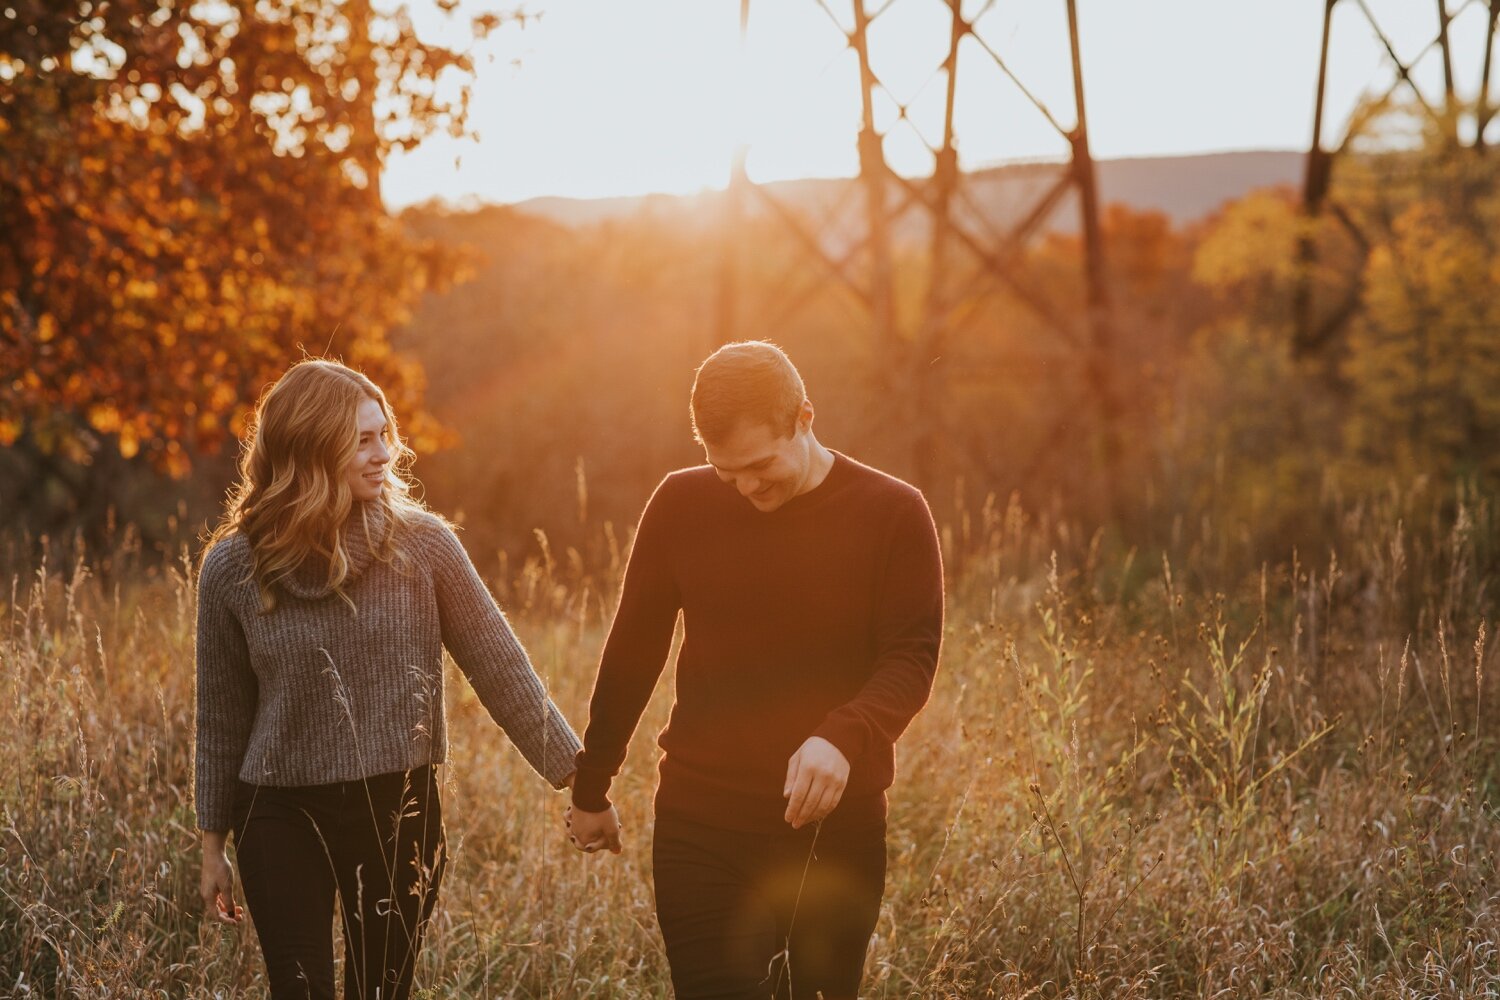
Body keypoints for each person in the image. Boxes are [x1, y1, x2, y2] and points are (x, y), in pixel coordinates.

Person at [565, 341, 945, 999]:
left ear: (805, 416)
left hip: (834, 830)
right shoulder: (681, 504)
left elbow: (910, 656)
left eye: (761, 465)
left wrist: (844, 735)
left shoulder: (893, 511)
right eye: (726, 471)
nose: (745, 486)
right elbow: (634, 647)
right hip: (700, 821)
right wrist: (592, 784)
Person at [194, 359, 581, 1000]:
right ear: (311, 448)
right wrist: (212, 845)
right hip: (278, 812)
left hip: (397, 809)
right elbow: (222, 714)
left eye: (385, 434)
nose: (386, 454)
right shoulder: (232, 566)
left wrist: (578, 776)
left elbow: (502, 668)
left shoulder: (423, 547)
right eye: (363, 440)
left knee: (381, 992)